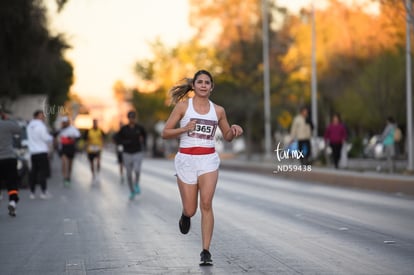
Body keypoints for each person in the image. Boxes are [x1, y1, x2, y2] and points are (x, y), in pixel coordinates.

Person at [161, 70, 243, 266]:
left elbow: (227, 136)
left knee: (206, 203)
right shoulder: (183, 107)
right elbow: (165, 132)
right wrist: (184, 129)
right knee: (191, 209)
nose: (204, 85)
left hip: (208, 160)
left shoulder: (218, 111)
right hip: (186, 160)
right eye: (200, 82)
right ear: (194, 86)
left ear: (211, 87)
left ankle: (205, 251)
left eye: (207, 82)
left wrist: (233, 130)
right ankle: (185, 214)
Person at [116, 111, 147, 199]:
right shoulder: (124, 129)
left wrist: (143, 143)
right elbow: (117, 138)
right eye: (130, 118)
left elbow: (145, 136)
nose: (132, 119)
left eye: (133, 118)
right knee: (129, 174)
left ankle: (136, 183)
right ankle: (132, 191)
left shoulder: (139, 128)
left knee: (137, 170)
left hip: (137, 152)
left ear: (135, 118)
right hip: (127, 153)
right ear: (128, 118)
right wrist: (123, 143)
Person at [27, 110, 54, 199]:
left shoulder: (29, 125)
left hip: (33, 152)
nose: (43, 117)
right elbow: (45, 138)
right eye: (41, 116)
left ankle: (32, 192)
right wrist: (51, 137)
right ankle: (43, 192)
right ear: (37, 116)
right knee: (42, 172)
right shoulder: (41, 125)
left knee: (33, 172)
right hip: (41, 151)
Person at [0, 109, 22, 216]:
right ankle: (12, 202)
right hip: (9, 158)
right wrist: (9, 119)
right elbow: (18, 129)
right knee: (12, 182)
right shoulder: (7, 124)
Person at [57, 116, 80, 186]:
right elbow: (56, 136)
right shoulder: (61, 130)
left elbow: (78, 136)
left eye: (65, 122)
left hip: (71, 148)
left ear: (68, 123)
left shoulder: (73, 129)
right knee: (64, 162)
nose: (64, 124)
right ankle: (64, 177)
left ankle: (68, 176)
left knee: (70, 164)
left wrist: (72, 138)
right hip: (64, 148)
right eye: (63, 123)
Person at [84, 119, 105, 183]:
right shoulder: (89, 131)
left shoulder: (100, 130)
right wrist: (86, 146)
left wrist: (102, 145)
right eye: (94, 123)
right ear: (93, 123)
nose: (95, 124)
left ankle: (98, 172)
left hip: (98, 148)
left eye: (96, 123)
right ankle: (93, 174)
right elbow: (86, 139)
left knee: (98, 161)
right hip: (90, 149)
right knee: (92, 163)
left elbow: (102, 138)